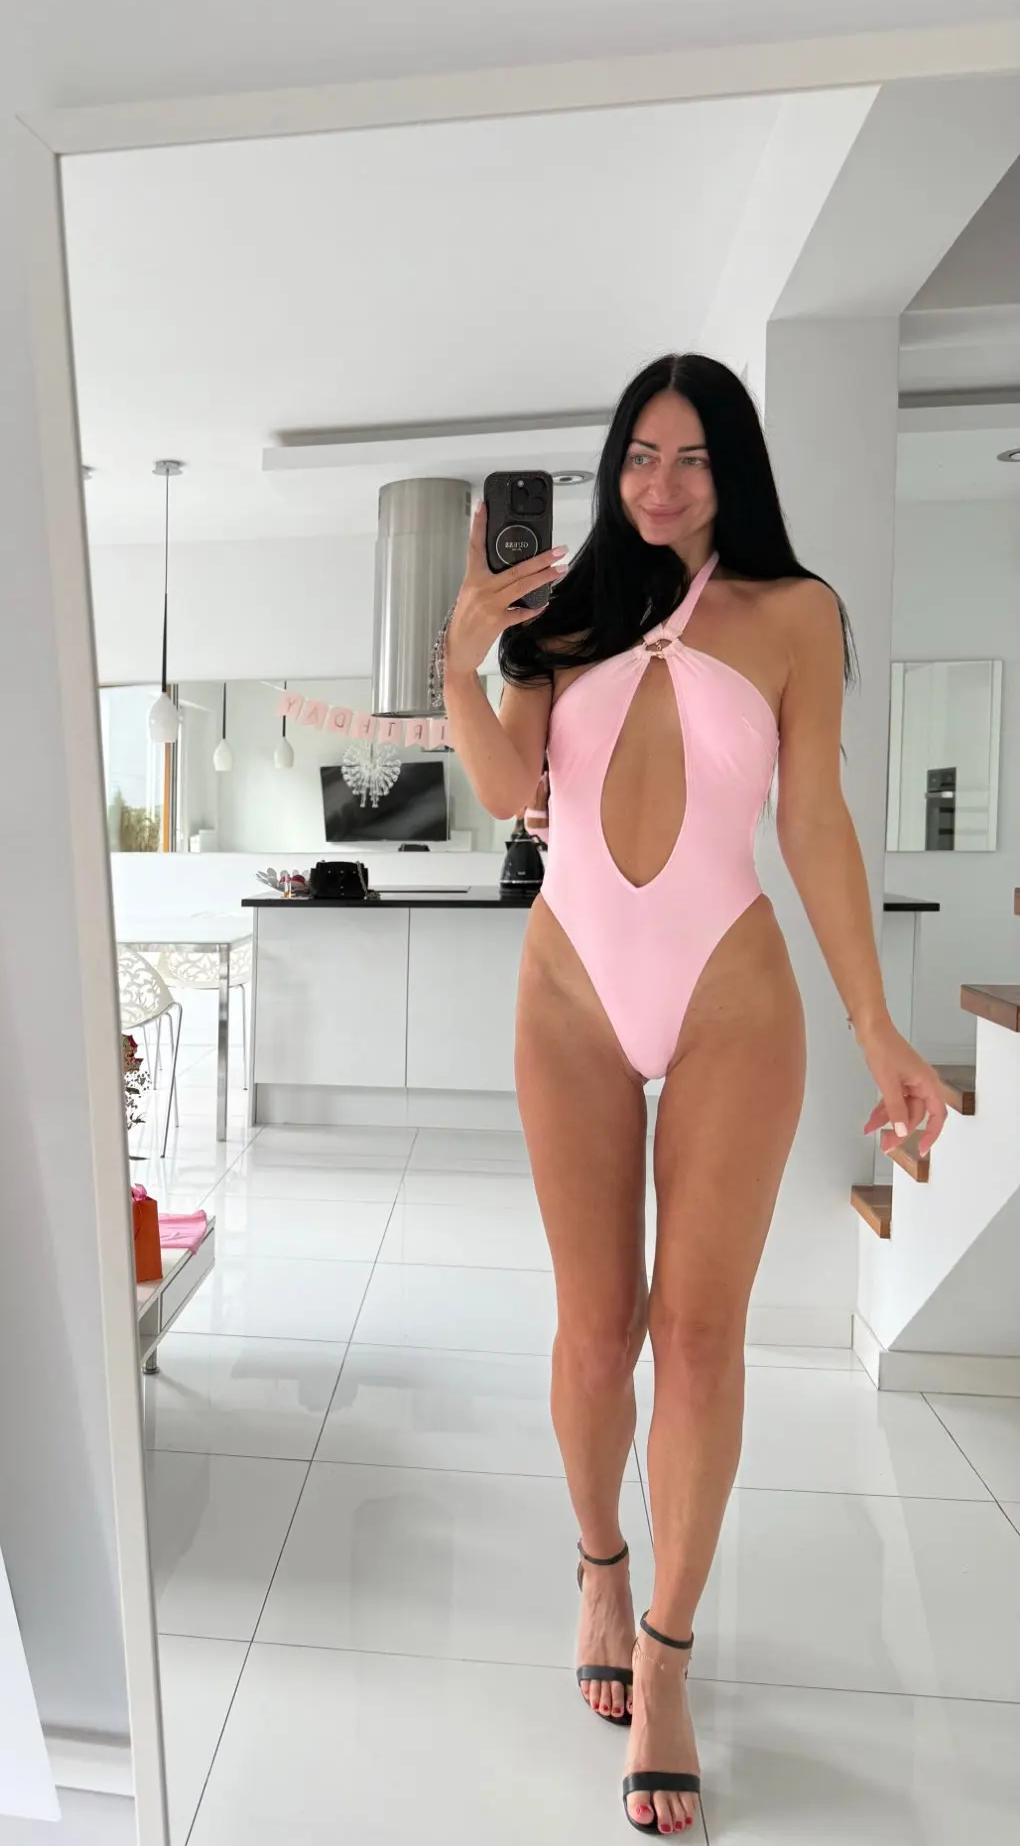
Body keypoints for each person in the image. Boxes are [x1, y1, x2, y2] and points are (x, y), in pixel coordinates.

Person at [441, 353, 947, 1837]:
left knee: (701, 1331)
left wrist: (879, 1024)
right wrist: (464, 660)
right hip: (571, 992)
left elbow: (817, 821)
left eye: (693, 457)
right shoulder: (560, 614)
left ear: (736, 468)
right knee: (598, 1329)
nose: (659, 485)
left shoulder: (796, 615)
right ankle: (601, 1566)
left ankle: (665, 1653)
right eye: (638, 457)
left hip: (733, 993)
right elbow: (503, 790)